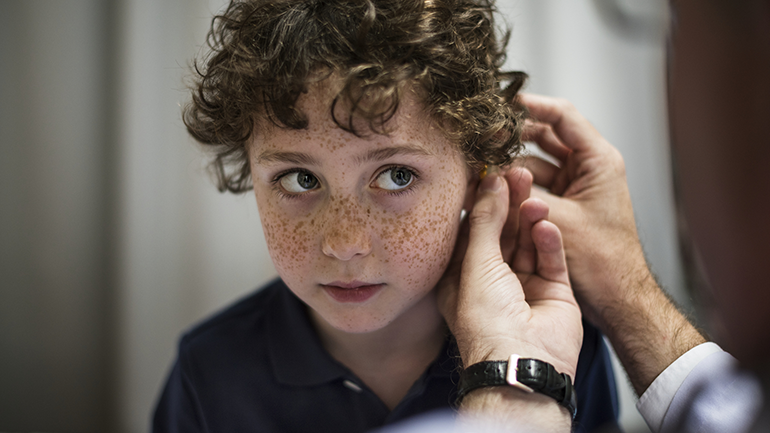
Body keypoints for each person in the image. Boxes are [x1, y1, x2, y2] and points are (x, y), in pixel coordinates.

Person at [152, 1, 620, 432]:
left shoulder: (551, 344)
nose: (344, 241)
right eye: (300, 179)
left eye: (396, 175)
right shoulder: (209, 372)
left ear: (480, 173)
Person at [431, 0, 770, 431]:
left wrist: (509, 382)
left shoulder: (565, 331)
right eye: (311, 178)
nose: (347, 241)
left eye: (399, 175)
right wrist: (626, 290)